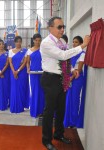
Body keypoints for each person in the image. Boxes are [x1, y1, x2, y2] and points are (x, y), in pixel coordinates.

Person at [40, 16, 90, 150]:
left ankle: (59, 134)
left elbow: (66, 60)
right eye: (59, 27)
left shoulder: (62, 41)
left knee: (61, 109)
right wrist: (82, 45)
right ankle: (46, 140)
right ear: (50, 28)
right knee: (49, 111)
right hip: (50, 79)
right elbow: (62, 55)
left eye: (63, 27)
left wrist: (72, 70)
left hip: (62, 78)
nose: (62, 29)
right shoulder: (46, 43)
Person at [64, 36, 87, 128]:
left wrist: (71, 78)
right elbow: (67, 65)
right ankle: (68, 120)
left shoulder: (82, 54)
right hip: (69, 77)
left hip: (77, 78)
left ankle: (73, 121)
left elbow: (80, 69)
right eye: (73, 42)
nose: (74, 44)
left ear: (81, 44)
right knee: (68, 98)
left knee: (74, 99)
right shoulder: (71, 53)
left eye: (76, 42)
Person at [9, 36, 29, 113]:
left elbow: (25, 62)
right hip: (13, 72)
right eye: (17, 41)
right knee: (14, 89)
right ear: (15, 42)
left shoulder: (25, 51)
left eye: (20, 41)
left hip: (22, 73)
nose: (18, 43)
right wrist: (14, 71)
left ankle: (21, 107)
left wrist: (18, 71)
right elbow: (10, 62)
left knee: (21, 89)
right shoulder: (10, 51)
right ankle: (14, 106)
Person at [27, 33, 45, 117]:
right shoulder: (29, 50)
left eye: (39, 40)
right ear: (33, 40)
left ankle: (41, 111)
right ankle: (34, 111)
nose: (37, 42)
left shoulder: (43, 50)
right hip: (33, 74)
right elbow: (27, 62)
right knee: (34, 91)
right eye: (36, 40)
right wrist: (28, 69)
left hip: (42, 73)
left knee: (42, 91)